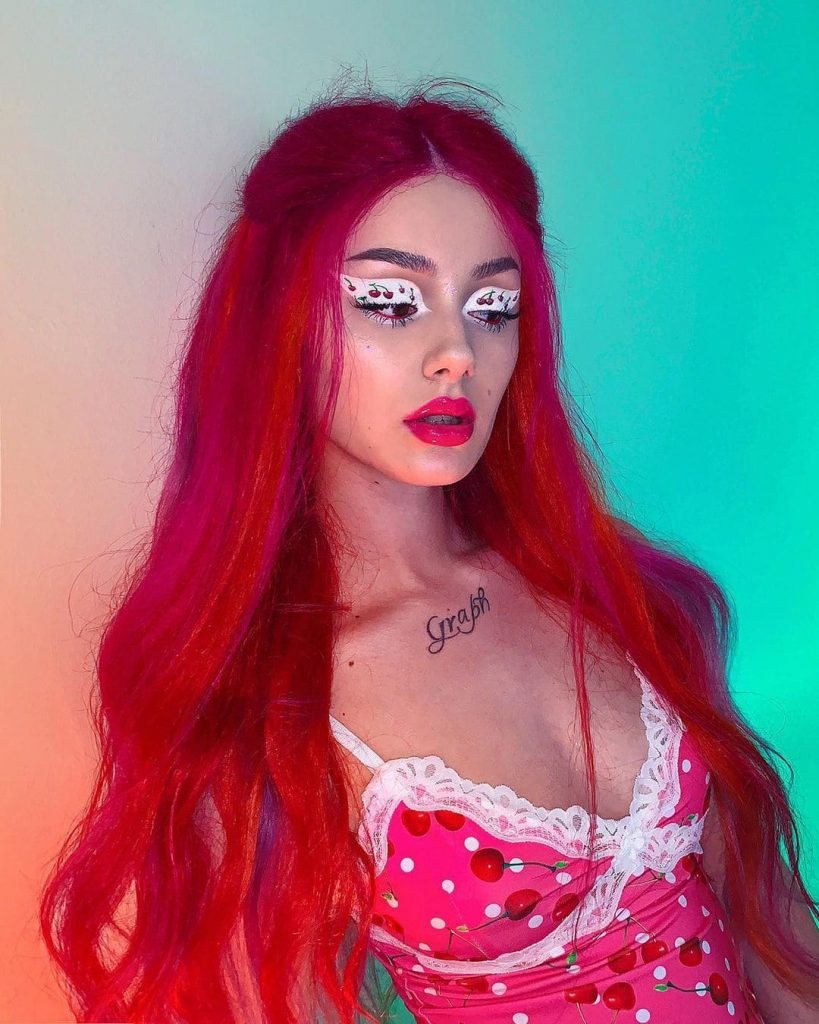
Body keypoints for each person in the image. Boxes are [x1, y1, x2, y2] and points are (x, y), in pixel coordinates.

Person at [39, 80, 819, 1024]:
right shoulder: (265, 715)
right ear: (279, 323)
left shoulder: (627, 596)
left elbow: (777, 938)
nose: (456, 352)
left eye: (493, 307)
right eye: (389, 301)